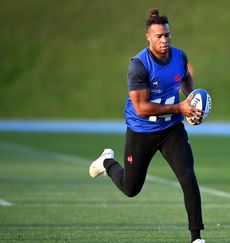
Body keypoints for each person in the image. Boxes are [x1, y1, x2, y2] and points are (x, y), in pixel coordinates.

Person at [89, 8, 205, 243]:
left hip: (172, 129)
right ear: (148, 37)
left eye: (167, 35)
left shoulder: (180, 57)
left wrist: (192, 101)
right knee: (131, 189)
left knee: (188, 176)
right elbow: (141, 107)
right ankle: (107, 162)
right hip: (142, 131)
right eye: (159, 36)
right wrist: (180, 108)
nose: (164, 40)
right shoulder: (139, 66)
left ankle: (196, 238)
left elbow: (185, 80)